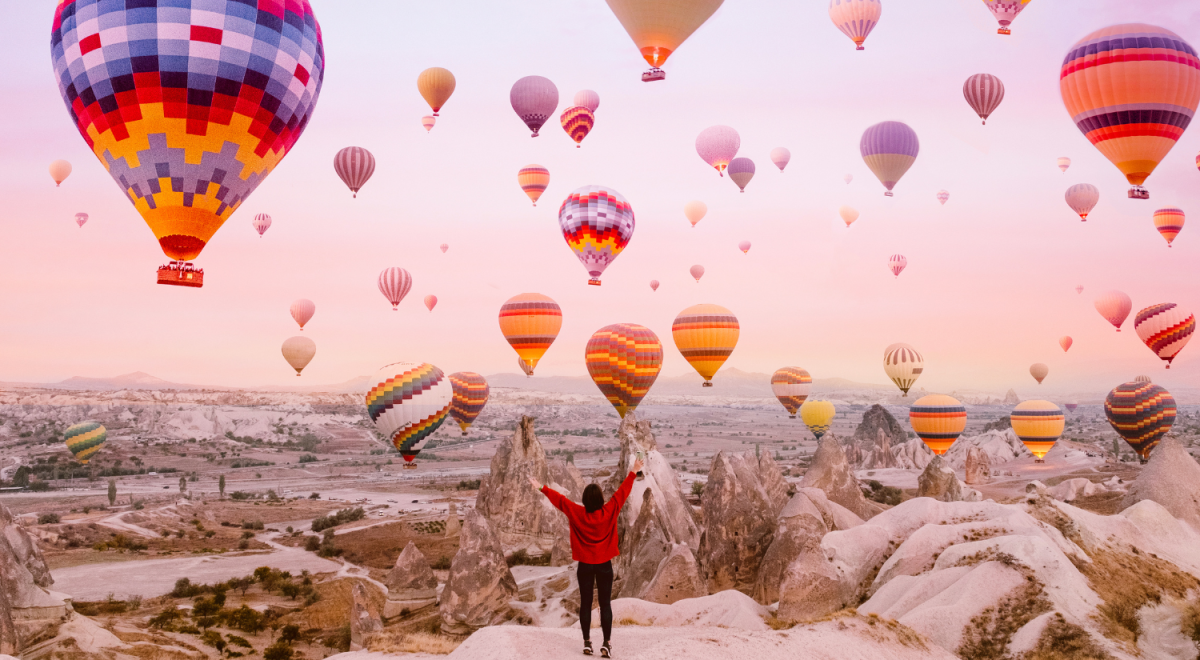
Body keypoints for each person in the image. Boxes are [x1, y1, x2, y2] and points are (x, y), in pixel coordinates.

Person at [529, 456, 642, 658]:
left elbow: (560, 501)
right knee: (605, 603)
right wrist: (633, 471)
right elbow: (622, 493)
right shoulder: (609, 511)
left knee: (586, 603)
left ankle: (587, 643)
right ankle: (606, 644)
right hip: (605, 565)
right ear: (600, 500)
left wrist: (541, 487)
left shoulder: (577, 513)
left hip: (585, 566)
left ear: (584, 500)